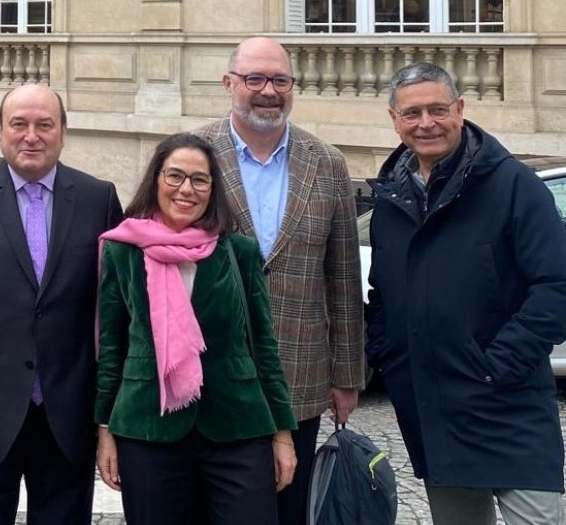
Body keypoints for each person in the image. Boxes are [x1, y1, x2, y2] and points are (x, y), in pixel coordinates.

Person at [366, 62, 566, 525]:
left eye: (438, 109)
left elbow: (556, 286)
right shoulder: (391, 203)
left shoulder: (516, 187)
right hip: (434, 409)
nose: (426, 123)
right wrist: (389, 356)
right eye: (412, 113)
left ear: (460, 109)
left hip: (510, 402)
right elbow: (383, 293)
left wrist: (498, 366)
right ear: (394, 119)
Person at [0, 84, 123, 525]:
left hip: (68, 419)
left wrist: (107, 417)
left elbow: (116, 319)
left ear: (63, 133)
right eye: (19, 124)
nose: (31, 135)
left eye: (44, 125)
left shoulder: (99, 199)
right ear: (0, 132)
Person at [194, 36, 363, 524]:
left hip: (300, 375)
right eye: (255, 79)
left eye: (280, 80)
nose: (268, 90)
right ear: (229, 84)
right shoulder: (192, 155)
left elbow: (344, 279)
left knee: (291, 507)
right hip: (210, 373)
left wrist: (347, 376)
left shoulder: (327, 162)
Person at [93, 133, 297, 525]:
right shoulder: (123, 251)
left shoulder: (238, 251)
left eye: (200, 179)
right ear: (156, 180)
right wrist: (105, 429)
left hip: (237, 427)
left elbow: (264, 345)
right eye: (175, 176)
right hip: (148, 427)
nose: (186, 189)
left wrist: (282, 433)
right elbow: (112, 347)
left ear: (213, 189)